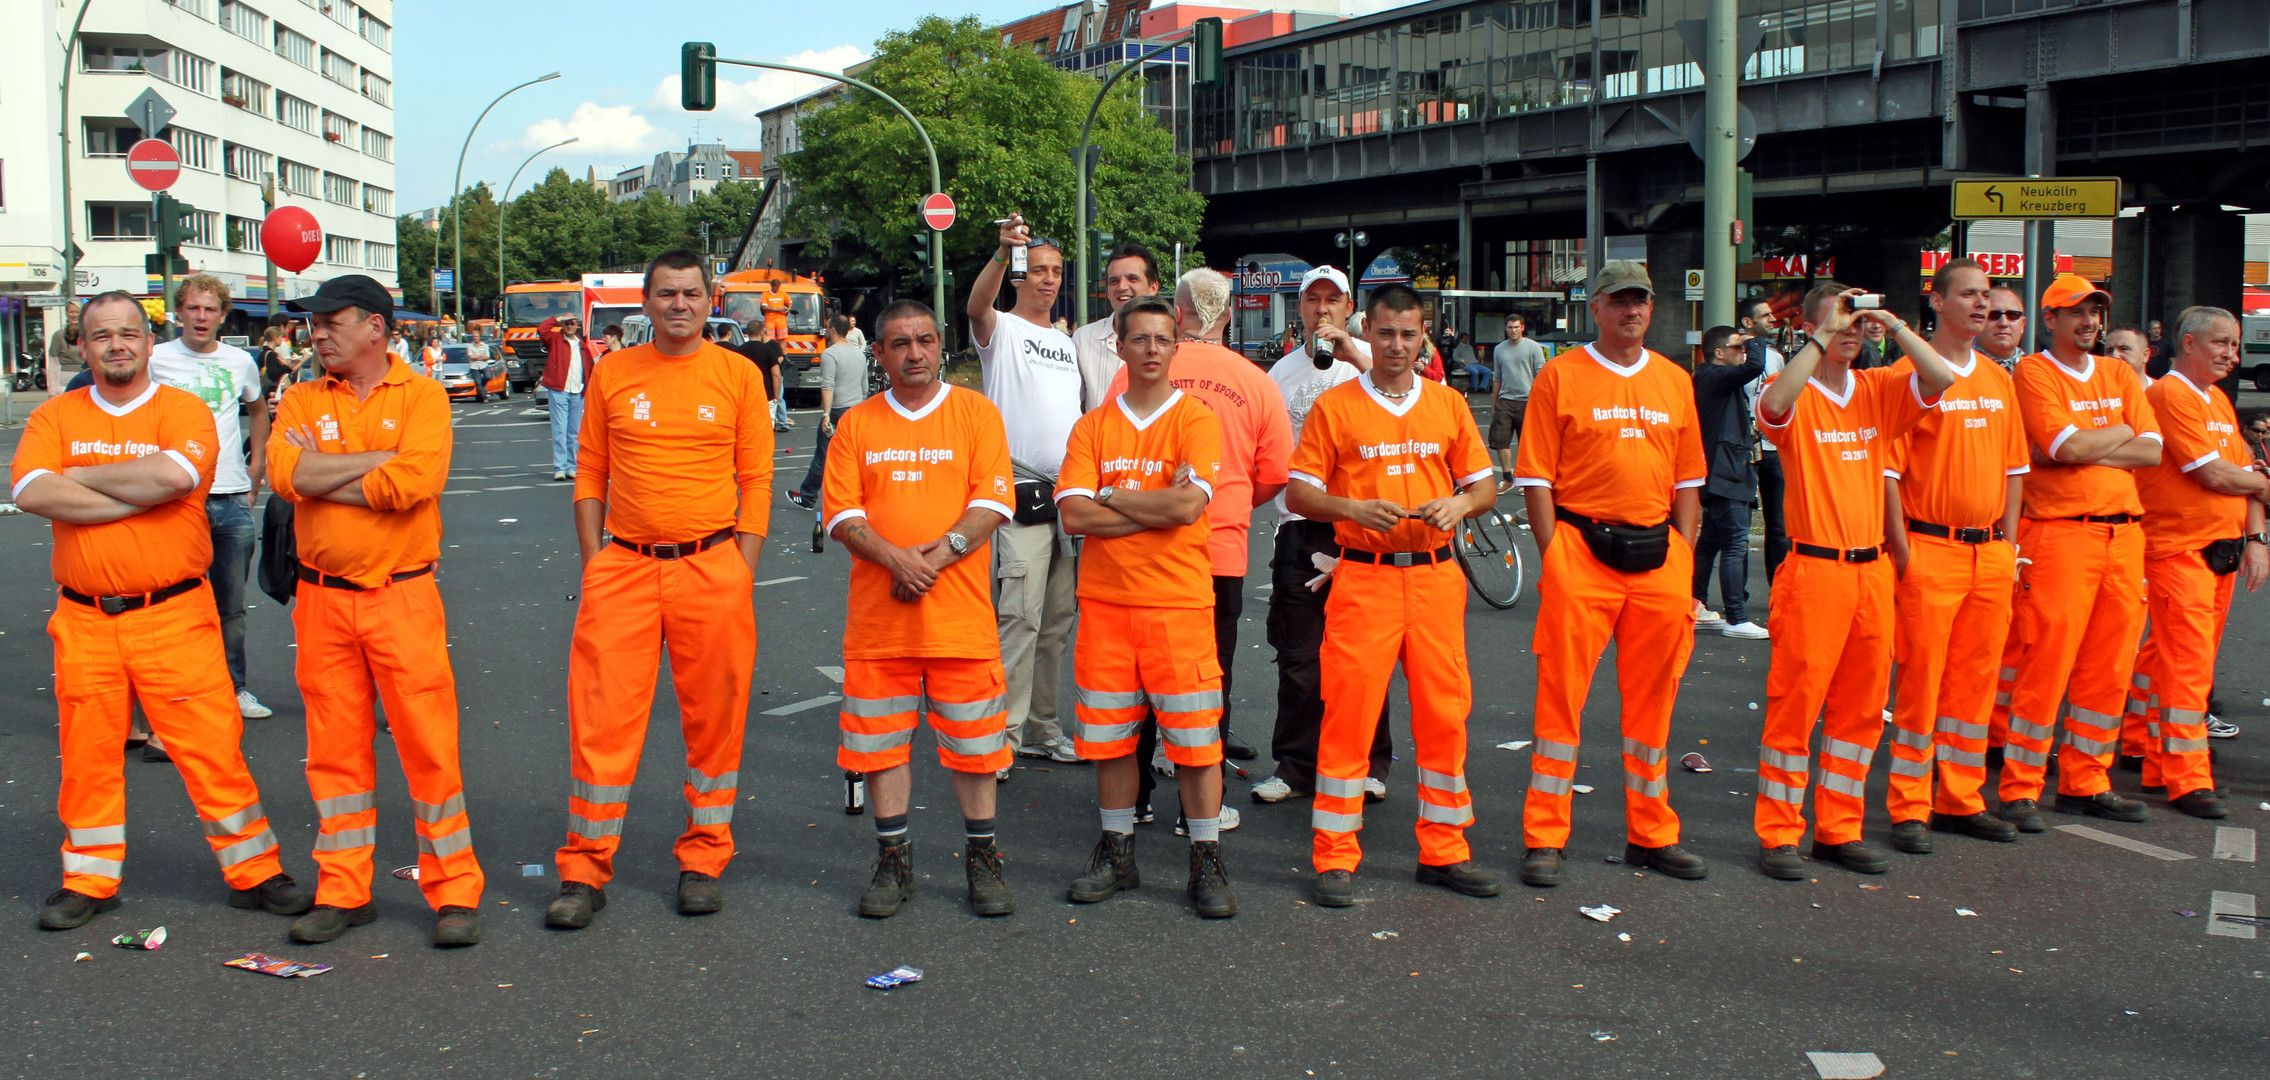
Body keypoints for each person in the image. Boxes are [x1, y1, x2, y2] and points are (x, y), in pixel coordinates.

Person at [11, 290, 311, 931]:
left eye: (128, 333)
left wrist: (78, 477)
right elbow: (30, 488)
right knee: (89, 755)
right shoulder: (55, 415)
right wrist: (130, 492)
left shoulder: (182, 409)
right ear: (82, 346)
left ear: (150, 343)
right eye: (101, 336)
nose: (116, 345)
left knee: (211, 749)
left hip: (174, 616)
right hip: (85, 619)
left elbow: (174, 480)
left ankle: (254, 872)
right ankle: (89, 880)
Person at [546, 251, 772, 929]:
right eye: (667, 294)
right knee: (601, 721)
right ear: (644, 304)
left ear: (711, 303)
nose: (680, 304)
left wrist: (742, 568)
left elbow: (757, 479)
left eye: (692, 293)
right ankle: (584, 870)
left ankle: (704, 858)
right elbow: (590, 473)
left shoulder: (737, 374)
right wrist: (595, 565)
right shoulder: (615, 372)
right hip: (624, 568)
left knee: (715, 722)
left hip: (713, 567)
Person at [266, 275, 483, 947]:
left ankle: (453, 892)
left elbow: (413, 481)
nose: (318, 333)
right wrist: (368, 466)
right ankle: (343, 890)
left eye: (332, 321)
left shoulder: (421, 395)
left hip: (403, 595)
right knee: (332, 753)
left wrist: (323, 472)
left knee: (429, 748)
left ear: (377, 329)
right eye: (314, 324)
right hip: (323, 600)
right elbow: (282, 477)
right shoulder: (300, 395)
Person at [1287, 283, 1500, 907]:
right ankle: (1334, 854)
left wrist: (1458, 502)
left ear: (1424, 335)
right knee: (1349, 713)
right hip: (1365, 575)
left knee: (1444, 715)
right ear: (1365, 334)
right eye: (1385, 333)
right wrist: (1352, 506)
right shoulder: (1337, 407)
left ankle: (1444, 850)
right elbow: (1299, 494)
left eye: (1409, 334)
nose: (1397, 345)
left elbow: (1483, 487)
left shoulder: (1448, 403)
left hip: (1435, 576)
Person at [1514, 262, 1711, 888]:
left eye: (1641, 301)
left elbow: (1688, 481)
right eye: (1619, 301)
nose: (1632, 311)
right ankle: (1545, 836)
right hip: (1581, 548)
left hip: (1659, 557)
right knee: (1560, 704)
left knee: (1655, 706)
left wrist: (1681, 552)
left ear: (1652, 310)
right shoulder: (1559, 375)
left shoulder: (1676, 381)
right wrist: (1555, 558)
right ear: (1594, 308)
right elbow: (1536, 479)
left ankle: (1651, 834)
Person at [1751, 282, 1956, 879]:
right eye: (1839, 318)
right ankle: (1780, 834)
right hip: (1815, 568)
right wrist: (1819, 335)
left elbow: (1939, 377)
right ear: (1813, 328)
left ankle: (1839, 828)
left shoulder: (1877, 388)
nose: (1850, 328)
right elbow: (1772, 408)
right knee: (1797, 707)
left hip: (1871, 572)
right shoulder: (1796, 388)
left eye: (1854, 319)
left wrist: (1889, 323)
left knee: (1863, 711)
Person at [824, 300, 1018, 919]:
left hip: (959, 622)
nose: (915, 354)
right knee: (880, 749)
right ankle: (892, 861)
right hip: (881, 626)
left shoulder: (976, 415)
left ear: (941, 346)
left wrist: (930, 558)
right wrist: (895, 560)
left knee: (977, 749)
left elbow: (992, 505)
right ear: (877, 354)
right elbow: (844, 516)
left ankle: (983, 860)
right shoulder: (856, 425)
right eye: (900, 343)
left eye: (926, 341)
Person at [1058, 295, 1237, 917]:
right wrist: (1148, 503)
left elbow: (1189, 508)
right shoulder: (1093, 426)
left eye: (1163, 339)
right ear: (1121, 346)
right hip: (1106, 605)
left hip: (1178, 606)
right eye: (1141, 339)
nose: (1153, 349)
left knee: (1196, 745)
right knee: (1109, 741)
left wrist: (1112, 494)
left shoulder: (1196, 418)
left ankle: (1206, 860)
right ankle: (1117, 851)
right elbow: (1074, 513)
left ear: (1176, 345)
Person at [1102, 270, 1294, 807]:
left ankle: (1133, 800)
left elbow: (1110, 453)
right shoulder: (1256, 380)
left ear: (1177, 316)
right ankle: (1203, 807)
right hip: (1220, 550)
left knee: (1135, 681)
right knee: (1209, 680)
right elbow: (1276, 472)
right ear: (1229, 316)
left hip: (1138, 551)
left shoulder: (1137, 373)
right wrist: (1228, 503)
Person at [2000, 273, 2162, 831]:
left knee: (2109, 669)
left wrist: (2087, 446)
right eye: (2076, 313)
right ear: (2050, 320)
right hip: (2061, 535)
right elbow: (2060, 445)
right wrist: (2115, 432)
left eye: (2095, 312)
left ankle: (2086, 782)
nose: (2090, 322)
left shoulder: (2118, 370)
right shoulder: (2033, 371)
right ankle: (2020, 787)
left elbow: (2152, 450)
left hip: (2125, 536)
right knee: (2045, 663)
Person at [1877, 259, 2027, 854]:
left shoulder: (1997, 379)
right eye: (1968, 294)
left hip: (1989, 553)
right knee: (1922, 684)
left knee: (1974, 685)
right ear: (1936, 302)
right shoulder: (1905, 375)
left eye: (1986, 295)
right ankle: (1910, 806)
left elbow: (2016, 470)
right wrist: (1904, 552)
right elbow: (1888, 474)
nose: (1982, 305)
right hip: (1931, 548)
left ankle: (1960, 798)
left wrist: (2010, 544)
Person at [1251, 265, 1391, 807]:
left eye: (1333, 300)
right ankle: (1295, 764)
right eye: (1313, 300)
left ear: (1349, 307)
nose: (1323, 310)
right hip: (1301, 526)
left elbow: (1416, 406)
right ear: (1300, 308)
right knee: (1299, 654)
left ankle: (1370, 762)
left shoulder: (1372, 361)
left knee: (1365, 654)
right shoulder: (1279, 373)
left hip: (1363, 524)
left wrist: (1357, 355)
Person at [2130, 306, 2266, 820]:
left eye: (2234, 345)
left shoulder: (2216, 400)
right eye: (2222, 343)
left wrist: (2257, 535)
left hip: (2220, 550)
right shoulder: (2170, 395)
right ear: (2188, 343)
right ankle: (2185, 776)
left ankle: (2144, 745)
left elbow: (2243, 472)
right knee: (2187, 666)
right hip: (2180, 548)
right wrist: (2260, 485)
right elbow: (2217, 476)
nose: (2232, 354)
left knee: (2169, 659)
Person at [968, 214, 1084, 766]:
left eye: (1057, 271)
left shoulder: (1064, 340)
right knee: (1019, 618)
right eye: (1038, 270)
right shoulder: (1001, 329)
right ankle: (1002, 737)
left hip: (1066, 499)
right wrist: (1000, 252)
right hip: (1018, 497)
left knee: (1057, 624)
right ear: (1020, 276)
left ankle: (1041, 727)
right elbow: (975, 308)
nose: (1048, 280)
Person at [150, 274, 274, 730]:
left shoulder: (240, 361)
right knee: (172, 601)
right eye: (193, 308)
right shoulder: (156, 359)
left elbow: (258, 411)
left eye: (210, 310)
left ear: (223, 315)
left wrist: (256, 465)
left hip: (230, 497)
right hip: (175, 498)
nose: (201, 317)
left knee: (230, 603)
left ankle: (232, 687)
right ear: (179, 312)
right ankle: (175, 692)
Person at [1690, 325, 1767, 637]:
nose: (1743, 351)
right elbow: (1756, 365)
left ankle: (1695, 604)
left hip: (1722, 471)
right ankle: (1736, 617)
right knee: (1735, 543)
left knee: (1710, 543)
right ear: (1719, 353)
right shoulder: (1711, 375)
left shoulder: (1711, 378)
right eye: (1737, 346)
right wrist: (1754, 339)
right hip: (1726, 473)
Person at [787, 315, 866, 509]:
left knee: (823, 455)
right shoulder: (859, 354)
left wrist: (825, 413)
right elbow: (864, 386)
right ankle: (860, 497)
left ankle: (807, 496)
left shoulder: (830, 354)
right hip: (856, 409)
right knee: (854, 457)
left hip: (837, 410)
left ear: (832, 330)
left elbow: (828, 385)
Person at [1071, 242, 1162, 410]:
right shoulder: (1083, 339)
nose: (1121, 287)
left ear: (1153, 287)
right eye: (1114, 281)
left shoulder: (1170, 343)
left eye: (1132, 278)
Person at [1740, 298, 1790, 590]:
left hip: (1772, 447)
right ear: (1748, 322)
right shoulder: (1735, 352)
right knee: (1739, 529)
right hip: (1744, 447)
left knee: (1778, 526)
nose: (1773, 318)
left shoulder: (1776, 356)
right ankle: (1736, 601)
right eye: (1765, 315)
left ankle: (1779, 592)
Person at [1489, 315, 1548, 491]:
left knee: (1527, 443)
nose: (1513, 331)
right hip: (1505, 400)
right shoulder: (1499, 349)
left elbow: (1541, 375)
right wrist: (1494, 403)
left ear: (1522, 327)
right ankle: (1508, 479)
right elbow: (1497, 377)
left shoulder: (1533, 347)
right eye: (1510, 327)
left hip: (1528, 400)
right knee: (1501, 441)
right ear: (1506, 329)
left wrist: (1540, 402)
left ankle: (1525, 480)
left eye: (1516, 327)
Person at [538, 313, 595, 482]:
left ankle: (572, 466)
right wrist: (557, 319)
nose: (569, 326)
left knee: (574, 433)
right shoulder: (555, 339)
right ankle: (560, 467)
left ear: (577, 325)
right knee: (559, 430)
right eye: (566, 323)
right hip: (559, 390)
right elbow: (542, 329)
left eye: (572, 323)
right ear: (562, 325)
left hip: (577, 391)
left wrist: (588, 387)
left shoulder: (581, 345)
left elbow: (589, 368)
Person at [735, 319, 789, 431]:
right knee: (767, 426)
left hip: (746, 395)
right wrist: (776, 396)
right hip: (766, 394)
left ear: (748, 332)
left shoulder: (739, 351)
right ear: (761, 332)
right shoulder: (768, 350)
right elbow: (776, 374)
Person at [1980, 286, 2027, 368]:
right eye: (1993, 315)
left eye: (2013, 315)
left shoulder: (2036, 372)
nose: (2003, 323)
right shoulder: (1958, 369)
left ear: (2023, 324)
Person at [46, 300, 83, 391]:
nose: (74, 315)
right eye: (71, 312)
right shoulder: (59, 335)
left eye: (77, 312)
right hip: (65, 383)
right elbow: (53, 364)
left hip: (85, 379)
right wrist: (52, 391)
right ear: (66, 313)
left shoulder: (87, 333)